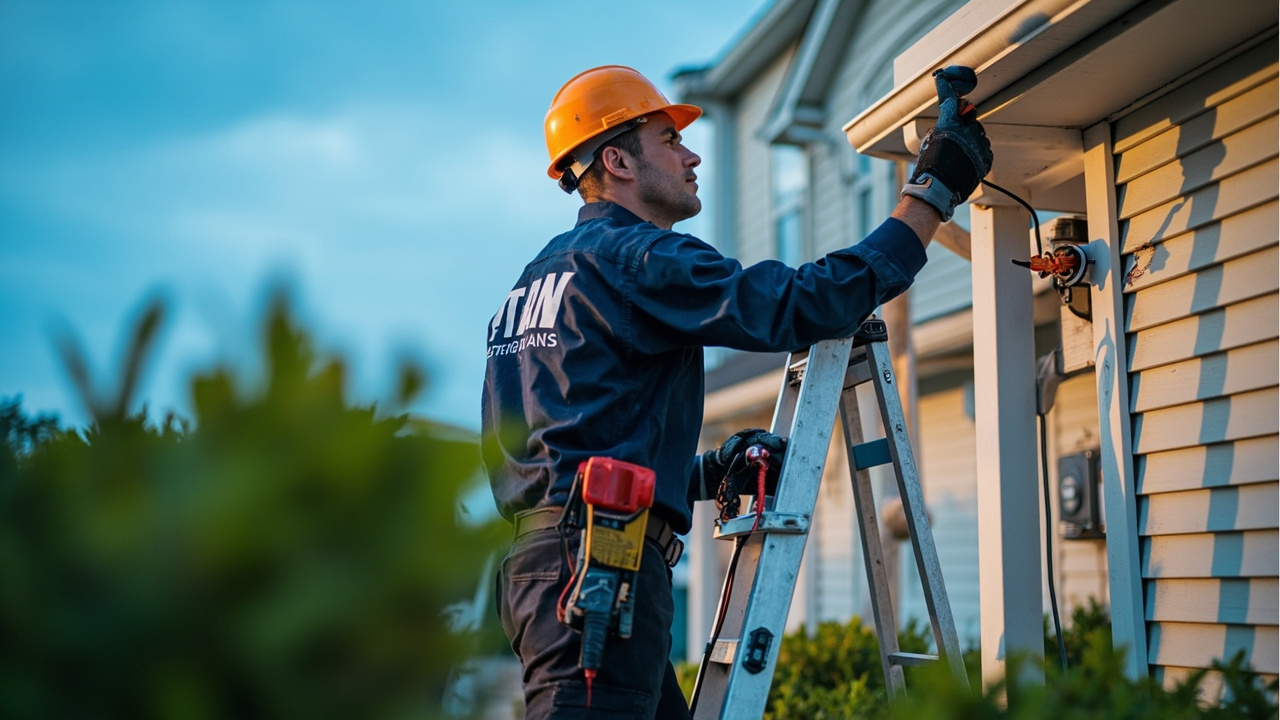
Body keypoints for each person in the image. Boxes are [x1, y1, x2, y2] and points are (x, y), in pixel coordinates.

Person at [482, 64, 991, 719]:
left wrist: (704, 473)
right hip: (600, 571)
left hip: (549, 571)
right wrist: (932, 190)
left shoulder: (533, 283)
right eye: (669, 140)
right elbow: (804, 304)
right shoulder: (637, 257)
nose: (692, 155)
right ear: (617, 159)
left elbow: (564, 455)